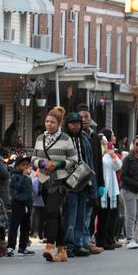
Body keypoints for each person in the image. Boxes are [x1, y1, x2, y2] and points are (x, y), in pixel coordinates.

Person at [32, 106, 78, 262]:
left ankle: (49, 246)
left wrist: (57, 164)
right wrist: (44, 163)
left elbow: (74, 161)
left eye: (52, 122)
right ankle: (62, 249)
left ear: (59, 124)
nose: (49, 124)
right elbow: (33, 160)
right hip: (44, 180)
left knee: (51, 212)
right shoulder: (40, 139)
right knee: (55, 216)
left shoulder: (66, 139)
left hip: (59, 181)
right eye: (47, 121)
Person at [63, 112, 94, 257]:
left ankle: (78, 243)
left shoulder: (85, 139)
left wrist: (94, 185)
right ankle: (68, 245)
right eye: (72, 122)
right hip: (69, 183)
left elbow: (91, 161)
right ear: (67, 124)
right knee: (70, 216)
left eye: (78, 123)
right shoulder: (63, 139)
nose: (75, 125)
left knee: (81, 216)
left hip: (84, 182)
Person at [78, 105, 105, 254]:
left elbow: (98, 163)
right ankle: (79, 241)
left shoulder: (95, 137)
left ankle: (87, 240)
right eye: (81, 117)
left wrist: (101, 183)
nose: (84, 120)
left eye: (87, 117)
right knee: (80, 213)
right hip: (79, 180)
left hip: (93, 180)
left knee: (90, 212)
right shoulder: (73, 136)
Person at [119, 135, 138, 250]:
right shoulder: (128, 159)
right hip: (129, 190)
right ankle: (129, 238)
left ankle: (133, 238)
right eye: (137, 144)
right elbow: (123, 176)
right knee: (130, 215)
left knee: (137, 215)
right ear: (133, 145)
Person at [96, 129, 122, 251]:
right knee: (103, 216)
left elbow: (118, 166)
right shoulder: (99, 153)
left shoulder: (110, 153)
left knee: (112, 216)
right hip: (102, 188)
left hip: (112, 189)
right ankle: (101, 240)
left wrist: (112, 155)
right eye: (112, 136)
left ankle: (109, 238)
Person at [6, 155, 35, 256]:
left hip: (27, 204)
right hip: (17, 204)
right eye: (23, 165)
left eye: (27, 165)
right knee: (14, 226)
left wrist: (31, 207)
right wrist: (24, 176)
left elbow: (30, 193)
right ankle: (10, 247)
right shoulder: (14, 176)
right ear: (17, 166)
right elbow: (15, 191)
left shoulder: (27, 178)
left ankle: (23, 247)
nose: (26, 167)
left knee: (25, 227)